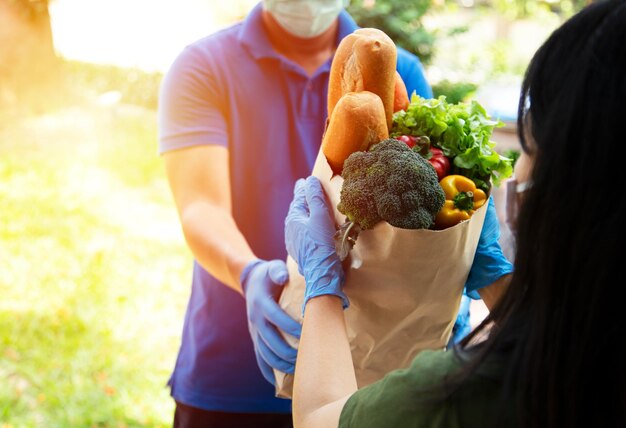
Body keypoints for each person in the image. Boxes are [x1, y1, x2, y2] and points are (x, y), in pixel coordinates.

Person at [158, 0, 510, 425]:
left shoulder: (400, 70)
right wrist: (249, 275)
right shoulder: (204, 65)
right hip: (235, 370)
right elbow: (200, 207)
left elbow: (425, 197)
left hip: (367, 378)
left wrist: (449, 273)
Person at [284, 1, 626, 427]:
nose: (519, 169)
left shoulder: (464, 394)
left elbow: (318, 418)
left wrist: (321, 285)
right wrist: (501, 283)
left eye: (532, 144)